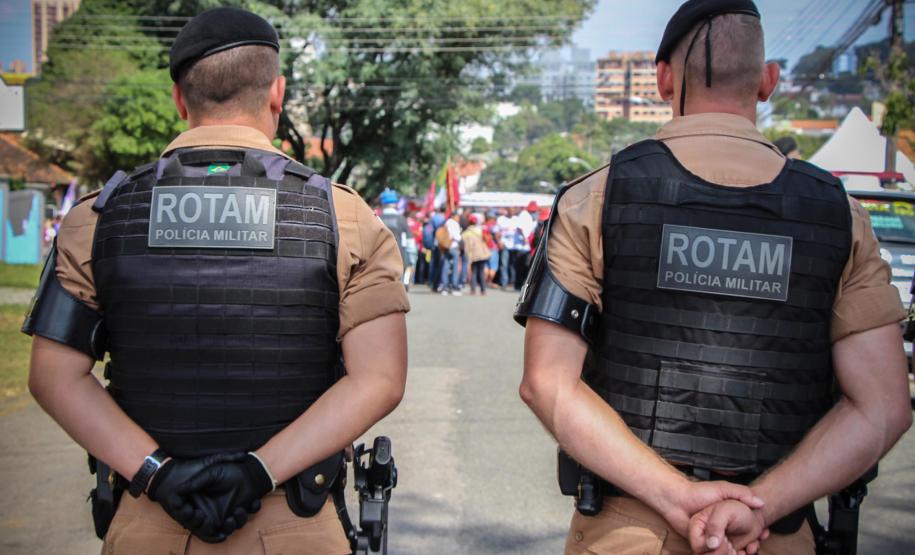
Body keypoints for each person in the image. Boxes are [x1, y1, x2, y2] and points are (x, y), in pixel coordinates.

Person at [514, 2, 911, 555]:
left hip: (628, 531)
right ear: (768, 81)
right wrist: (762, 504)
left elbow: (547, 383)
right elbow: (884, 405)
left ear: (663, 79)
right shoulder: (840, 216)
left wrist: (677, 497)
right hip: (772, 534)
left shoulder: (595, 198)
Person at [22, 7, 409, 554]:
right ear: (277, 94)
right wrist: (257, 471)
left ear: (179, 100)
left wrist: (157, 473)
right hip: (295, 523)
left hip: (147, 521)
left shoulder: (97, 218)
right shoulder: (343, 217)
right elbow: (380, 378)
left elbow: (54, 376)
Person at [378, 187, 412, 287]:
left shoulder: (377, 218)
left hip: (381, 257)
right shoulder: (401, 219)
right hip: (399, 255)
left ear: (383, 203)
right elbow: (410, 241)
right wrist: (412, 258)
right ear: (395, 203)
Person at [461, 215, 491, 295]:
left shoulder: (465, 233)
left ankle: (473, 289)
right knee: (481, 271)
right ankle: (483, 290)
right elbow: (486, 239)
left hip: (472, 253)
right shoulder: (480, 230)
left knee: (473, 271)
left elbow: (463, 244)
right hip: (482, 252)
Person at [438, 211, 463, 295]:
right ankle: (454, 287)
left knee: (445, 266)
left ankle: (444, 287)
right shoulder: (455, 224)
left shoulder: (446, 223)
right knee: (455, 267)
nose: (458, 218)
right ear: (454, 216)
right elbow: (457, 237)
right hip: (453, 246)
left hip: (446, 246)